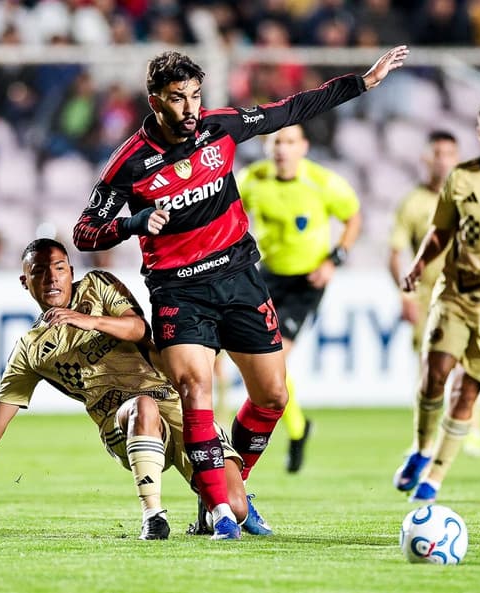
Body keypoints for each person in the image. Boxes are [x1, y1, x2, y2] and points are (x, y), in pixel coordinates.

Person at [72, 47, 409, 539]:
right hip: (178, 289)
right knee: (196, 390)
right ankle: (223, 515)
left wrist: (362, 82)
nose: (190, 109)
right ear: (154, 102)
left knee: (273, 395)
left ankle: (229, 492)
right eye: (177, 99)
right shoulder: (129, 163)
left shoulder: (219, 127)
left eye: (195, 96)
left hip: (239, 277)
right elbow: (84, 232)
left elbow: (290, 109)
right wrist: (132, 223)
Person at [0, 238, 273, 540]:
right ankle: (153, 516)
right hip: (121, 418)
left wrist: (87, 320)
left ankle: (208, 511)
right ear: (25, 281)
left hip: (175, 399)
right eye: (39, 272)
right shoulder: (31, 349)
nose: (51, 279)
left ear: (71, 271)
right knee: (142, 406)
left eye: (59, 268)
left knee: (236, 508)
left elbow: (139, 328)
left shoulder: (98, 286)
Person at [395, 98, 480, 503]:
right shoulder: (463, 177)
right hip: (455, 294)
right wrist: (417, 266)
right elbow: (439, 232)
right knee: (436, 371)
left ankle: (435, 476)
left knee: (468, 392)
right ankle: (420, 447)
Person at [237, 124, 361, 473]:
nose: (282, 149)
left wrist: (334, 260)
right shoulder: (251, 180)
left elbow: (353, 218)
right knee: (266, 361)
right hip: (267, 276)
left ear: (303, 146)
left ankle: (293, 428)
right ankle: (298, 427)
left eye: (289, 142)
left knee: (273, 357)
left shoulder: (322, 183)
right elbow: (230, 213)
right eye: (276, 142)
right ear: (266, 146)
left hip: (307, 280)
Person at [387, 130, 480, 464]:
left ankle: (471, 429)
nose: (443, 160)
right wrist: (405, 294)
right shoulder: (413, 202)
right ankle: (426, 440)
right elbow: (396, 253)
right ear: (426, 158)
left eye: (449, 153)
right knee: (428, 366)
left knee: (466, 360)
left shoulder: (468, 195)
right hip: (426, 295)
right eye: (437, 153)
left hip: (466, 291)